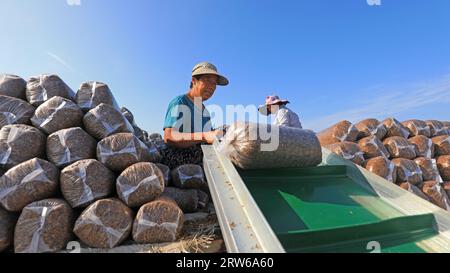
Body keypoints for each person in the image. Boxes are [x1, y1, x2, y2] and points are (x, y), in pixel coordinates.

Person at [163, 62, 229, 148]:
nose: (212, 87)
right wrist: (204, 136)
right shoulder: (180, 102)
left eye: (214, 84)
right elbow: (169, 137)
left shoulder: (205, 111)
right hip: (181, 156)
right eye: (208, 80)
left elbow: (209, 135)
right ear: (194, 81)